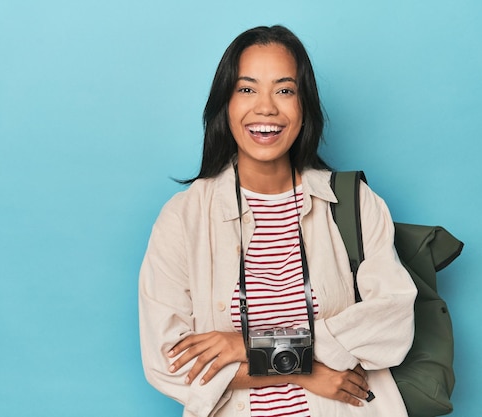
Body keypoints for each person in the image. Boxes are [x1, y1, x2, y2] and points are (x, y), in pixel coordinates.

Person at [139, 25, 417, 417]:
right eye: (247, 89)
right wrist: (304, 369)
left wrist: (244, 346)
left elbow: (392, 325)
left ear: (305, 108)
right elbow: (170, 363)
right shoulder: (184, 218)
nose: (266, 107)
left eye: (284, 90)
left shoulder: (353, 202)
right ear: (225, 105)